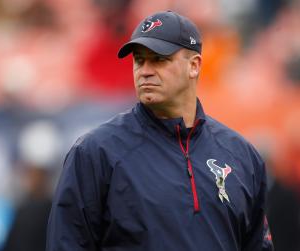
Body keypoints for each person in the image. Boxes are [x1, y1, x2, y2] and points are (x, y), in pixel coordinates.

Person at [46, 10, 274, 251]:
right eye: (139, 60)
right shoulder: (96, 152)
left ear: (194, 66)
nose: (144, 70)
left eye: (158, 59)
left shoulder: (241, 156)